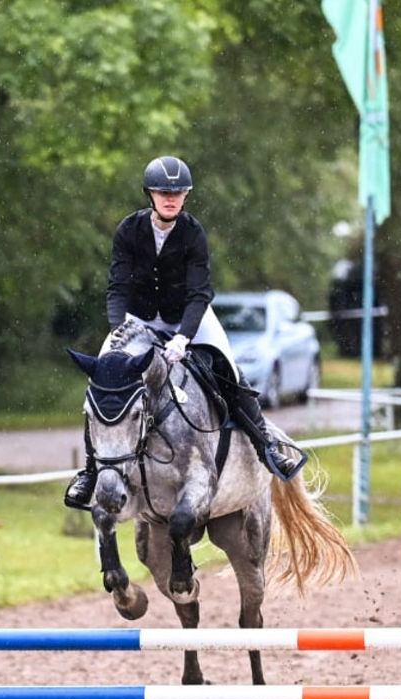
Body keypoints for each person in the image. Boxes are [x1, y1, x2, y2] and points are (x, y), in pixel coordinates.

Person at [63, 155, 305, 510]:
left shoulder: (192, 232)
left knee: (228, 368)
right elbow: (117, 286)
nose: (170, 197)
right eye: (163, 192)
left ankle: (265, 444)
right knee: (104, 379)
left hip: (188, 317)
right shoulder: (129, 230)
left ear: (186, 196)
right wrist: (119, 330)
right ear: (150, 194)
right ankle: (89, 472)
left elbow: (199, 292)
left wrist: (183, 337)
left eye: (177, 192)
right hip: (138, 320)